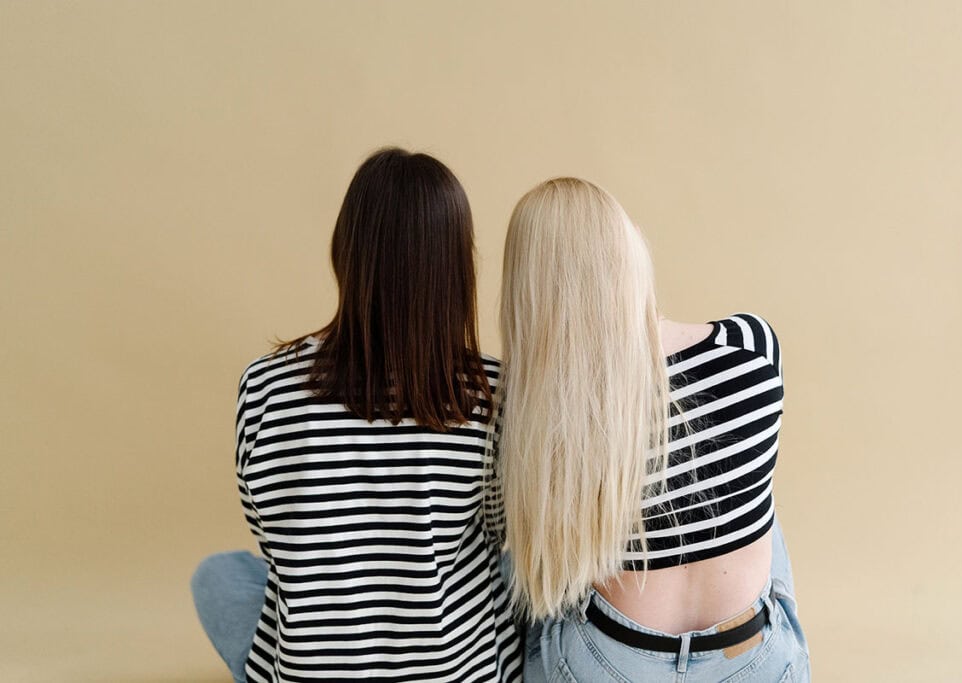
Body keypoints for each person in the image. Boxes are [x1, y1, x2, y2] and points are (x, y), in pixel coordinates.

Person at [191, 148, 522, 683]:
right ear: (458, 264)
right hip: (455, 669)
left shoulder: (265, 383)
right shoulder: (493, 392)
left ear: (345, 250)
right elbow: (494, 535)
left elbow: (274, 536)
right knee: (525, 572)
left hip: (310, 668)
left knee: (220, 573)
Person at [491, 177, 809, 681]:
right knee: (762, 504)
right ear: (628, 250)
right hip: (751, 661)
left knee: (520, 568)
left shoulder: (535, 407)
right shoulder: (751, 346)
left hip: (607, 663)